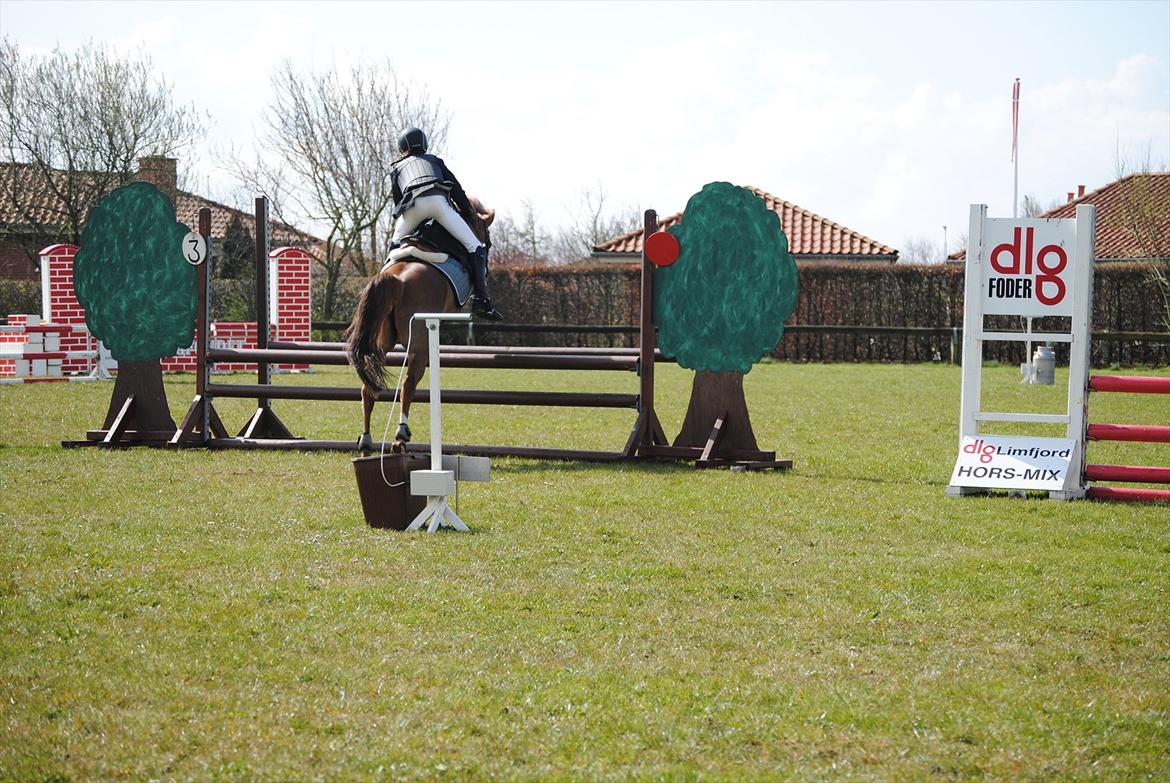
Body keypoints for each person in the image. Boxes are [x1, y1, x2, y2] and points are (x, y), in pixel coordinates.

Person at [389, 127, 503, 320]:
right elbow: (456, 189)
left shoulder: (396, 168)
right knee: (475, 246)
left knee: (393, 249)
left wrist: (410, 222)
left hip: (412, 209)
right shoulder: (434, 160)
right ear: (424, 144)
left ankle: (381, 281)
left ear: (402, 148)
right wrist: (468, 212)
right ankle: (482, 300)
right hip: (438, 205)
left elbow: (398, 201)